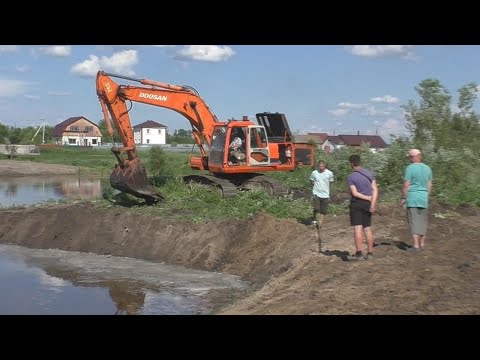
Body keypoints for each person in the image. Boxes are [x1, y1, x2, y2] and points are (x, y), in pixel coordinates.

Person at [346, 154, 378, 261]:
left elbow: (354, 193)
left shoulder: (351, 177)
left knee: (358, 228)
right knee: (367, 228)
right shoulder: (370, 174)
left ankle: (359, 254)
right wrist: (372, 202)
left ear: (351, 164)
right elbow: (374, 189)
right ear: (360, 162)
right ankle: (370, 253)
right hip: (368, 204)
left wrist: (367, 198)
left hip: (357, 204)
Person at [401, 148, 433, 251]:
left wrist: (403, 197)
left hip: (413, 197)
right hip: (423, 197)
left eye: (410, 157)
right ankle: (422, 243)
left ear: (413, 157)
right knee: (423, 221)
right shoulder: (427, 168)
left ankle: (416, 245)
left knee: (414, 220)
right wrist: (427, 196)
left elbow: (406, 184)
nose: (409, 159)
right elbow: (429, 184)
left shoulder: (410, 168)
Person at [309, 160, 334, 227]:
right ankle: (314, 220)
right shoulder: (314, 173)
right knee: (316, 208)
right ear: (318, 166)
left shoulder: (329, 173)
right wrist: (314, 187)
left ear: (325, 166)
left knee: (323, 210)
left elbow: (331, 182)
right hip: (316, 193)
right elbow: (311, 181)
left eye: (322, 166)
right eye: (319, 166)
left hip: (325, 194)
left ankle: (320, 223)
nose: (321, 168)